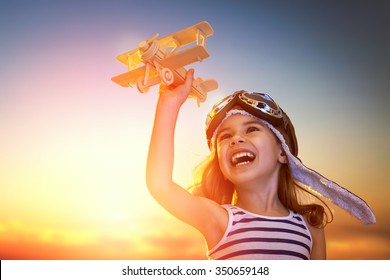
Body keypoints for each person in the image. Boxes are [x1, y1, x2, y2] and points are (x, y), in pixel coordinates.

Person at [146, 69, 375, 260]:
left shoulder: (311, 226)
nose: (236, 139)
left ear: (283, 153)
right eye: (225, 137)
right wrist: (169, 103)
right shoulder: (219, 220)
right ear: (221, 166)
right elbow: (160, 186)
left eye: (252, 129)